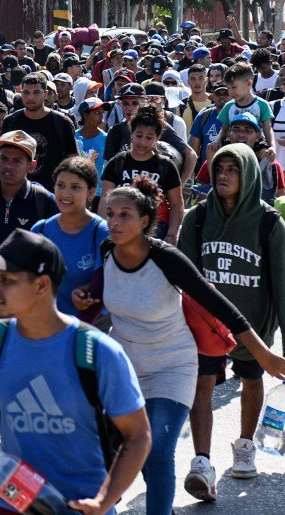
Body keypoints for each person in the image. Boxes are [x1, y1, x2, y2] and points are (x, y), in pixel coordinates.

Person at [74, 175, 285, 514]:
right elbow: (103, 291)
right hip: (124, 367)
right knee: (113, 447)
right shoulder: (106, 251)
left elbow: (222, 308)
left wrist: (265, 355)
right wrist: (85, 297)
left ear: (145, 221)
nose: (113, 221)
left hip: (172, 366)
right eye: (110, 213)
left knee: (156, 451)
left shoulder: (167, 258)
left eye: (124, 214)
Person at [0, 229, 152, 515]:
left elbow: (138, 436)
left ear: (42, 285)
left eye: (7, 280)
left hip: (81, 507)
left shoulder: (96, 350)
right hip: (10, 503)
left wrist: (104, 500)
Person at [179, 144, 285, 498]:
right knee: (202, 385)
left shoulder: (269, 222)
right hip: (206, 324)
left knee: (251, 381)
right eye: (218, 168)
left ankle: (244, 445)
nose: (222, 175)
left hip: (254, 322)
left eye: (232, 169)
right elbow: (185, 278)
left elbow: (283, 284)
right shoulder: (196, 218)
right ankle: (202, 461)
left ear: (249, 175)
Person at [31, 157, 108, 316]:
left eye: (75, 187)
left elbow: (107, 283)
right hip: (46, 328)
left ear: (91, 191)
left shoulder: (102, 232)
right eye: (60, 185)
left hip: (91, 328)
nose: (65, 193)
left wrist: (86, 295)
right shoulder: (40, 230)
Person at [0, 131, 58, 254]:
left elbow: (56, 253)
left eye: (17, 161)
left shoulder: (45, 201)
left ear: (31, 166)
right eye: (4, 158)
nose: (8, 165)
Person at [99, 105, 184, 242]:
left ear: (157, 138)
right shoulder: (117, 162)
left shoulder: (166, 165)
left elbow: (177, 203)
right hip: (120, 228)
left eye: (149, 137)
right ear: (131, 133)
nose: (142, 142)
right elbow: (105, 200)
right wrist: (104, 233)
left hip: (157, 232)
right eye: (139, 135)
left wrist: (172, 235)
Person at [2, 72, 78, 190]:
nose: (30, 97)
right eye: (26, 92)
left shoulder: (62, 123)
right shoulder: (10, 122)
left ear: (46, 94)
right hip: (16, 192)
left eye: (36, 92)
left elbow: (72, 161)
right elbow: (4, 158)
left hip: (52, 193)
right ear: (20, 94)